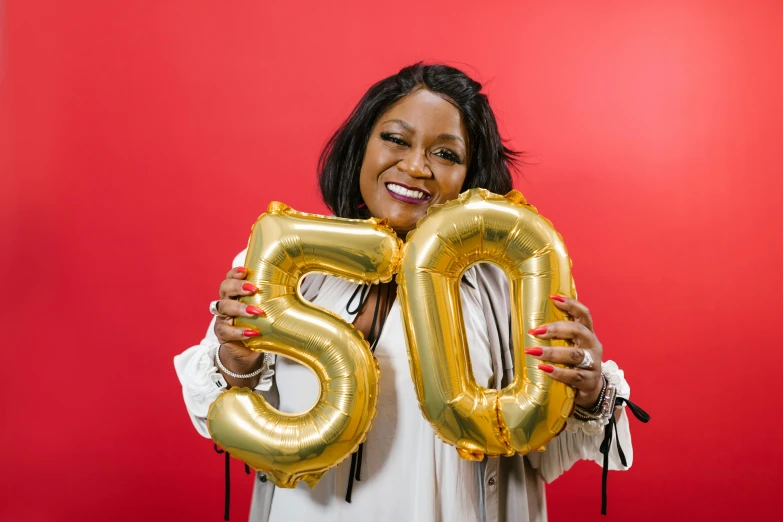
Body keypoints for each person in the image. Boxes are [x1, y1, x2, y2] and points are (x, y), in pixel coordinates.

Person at [174, 63, 640, 522]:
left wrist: (588, 392)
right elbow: (229, 413)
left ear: (470, 176)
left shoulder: (512, 288)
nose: (416, 166)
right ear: (362, 147)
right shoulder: (288, 271)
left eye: (446, 154)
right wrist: (236, 359)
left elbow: (542, 448)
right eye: (396, 139)